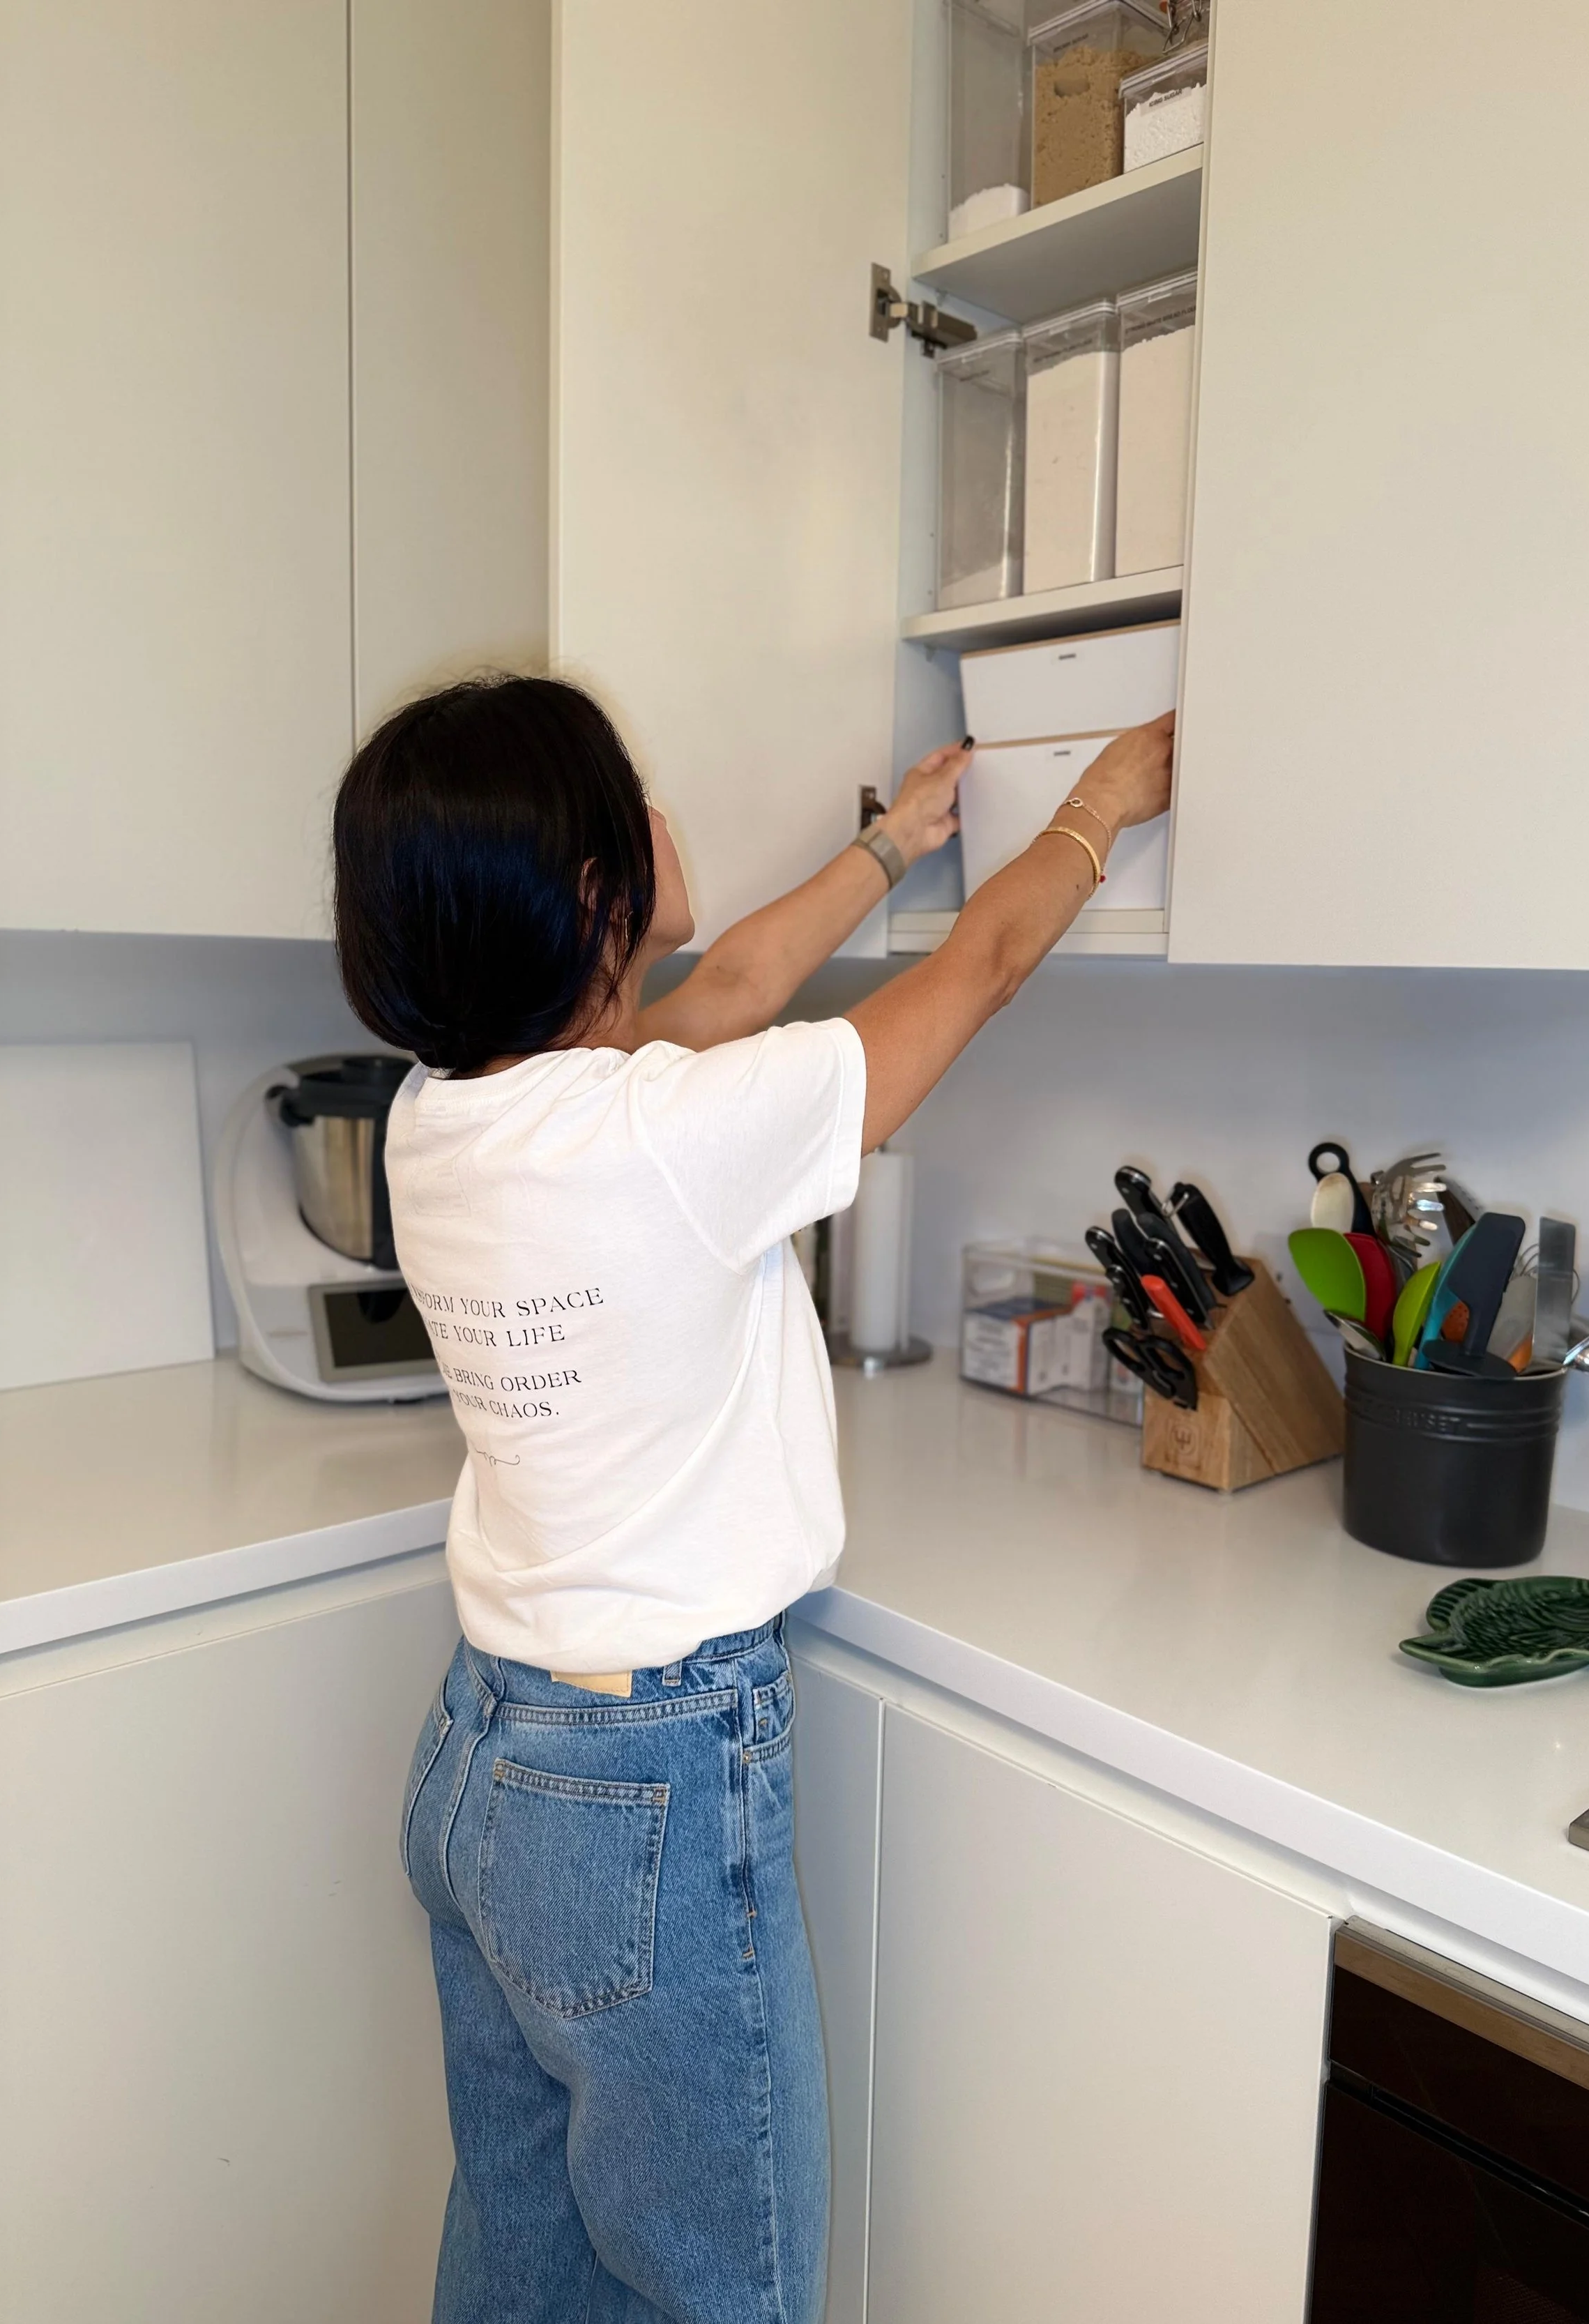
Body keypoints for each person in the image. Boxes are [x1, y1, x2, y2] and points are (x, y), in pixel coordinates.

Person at [331, 675, 1173, 2324]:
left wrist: (890, 844)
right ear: (595, 896)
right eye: (635, 796)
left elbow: (723, 989)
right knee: (727, 2289)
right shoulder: (665, 1133)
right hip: (645, 1775)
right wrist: (1100, 806)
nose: (665, 813)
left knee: (519, 2261)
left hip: (485, 1761)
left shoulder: (440, 1124)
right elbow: (980, 969)